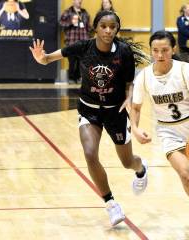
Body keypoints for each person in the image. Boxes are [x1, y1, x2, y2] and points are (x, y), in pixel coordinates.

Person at [29, 10, 148, 227]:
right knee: (90, 153)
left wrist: (129, 97)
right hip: (89, 110)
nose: (108, 30)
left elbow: (129, 83)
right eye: (103, 26)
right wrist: (43, 59)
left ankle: (141, 169)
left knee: (127, 161)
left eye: (113, 27)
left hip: (116, 111)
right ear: (95, 28)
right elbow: (50, 58)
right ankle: (111, 204)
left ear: (117, 29)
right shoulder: (83, 47)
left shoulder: (124, 51)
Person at [130, 30, 189, 238]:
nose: (160, 54)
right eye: (155, 50)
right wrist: (135, 129)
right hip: (168, 131)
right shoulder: (144, 76)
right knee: (185, 175)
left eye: (164, 50)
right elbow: (135, 107)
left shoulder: (185, 70)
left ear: (173, 49)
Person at [59, 0, 91, 83]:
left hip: (83, 41)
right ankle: (71, 78)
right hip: (71, 41)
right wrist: (70, 22)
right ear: (73, 1)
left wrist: (88, 36)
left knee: (82, 61)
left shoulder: (84, 12)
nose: (80, 1)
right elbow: (61, 23)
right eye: (77, 0)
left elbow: (88, 26)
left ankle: (79, 77)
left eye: (81, 0)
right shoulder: (68, 11)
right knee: (72, 61)